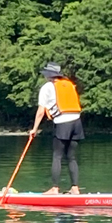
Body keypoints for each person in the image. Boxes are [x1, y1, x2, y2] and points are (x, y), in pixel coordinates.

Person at [30, 62, 83, 195]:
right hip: (77, 122)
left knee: (57, 156)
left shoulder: (47, 87)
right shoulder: (69, 84)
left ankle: (54, 188)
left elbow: (41, 111)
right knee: (71, 157)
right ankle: (75, 188)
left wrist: (34, 129)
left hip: (62, 122)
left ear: (48, 75)